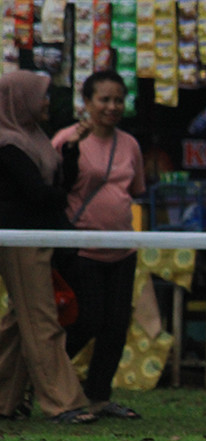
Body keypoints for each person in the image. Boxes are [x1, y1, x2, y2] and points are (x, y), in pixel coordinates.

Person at [0, 71, 97, 425]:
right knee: (41, 319)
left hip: (40, 237)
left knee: (21, 321)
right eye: (40, 95)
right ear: (20, 99)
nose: (46, 102)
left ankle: (3, 399)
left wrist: (70, 152)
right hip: (21, 241)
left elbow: (59, 188)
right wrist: (56, 198)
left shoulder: (33, 138)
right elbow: (39, 195)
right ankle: (63, 402)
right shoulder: (8, 145)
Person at [52, 71, 146, 420]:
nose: (112, 106)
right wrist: (72, 150)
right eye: (104, 99)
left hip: (122, 247)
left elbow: (135, 190)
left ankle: (99, 397)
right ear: (87, 102)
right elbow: (55, 188)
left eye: (118, 99)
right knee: (86, 320)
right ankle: (50, 379)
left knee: (116, 325)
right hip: (82, 248)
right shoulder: (66, 139)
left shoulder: (130, 145)